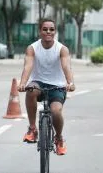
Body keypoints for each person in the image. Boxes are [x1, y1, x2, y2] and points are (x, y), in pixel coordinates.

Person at [17, 18, 76, 156]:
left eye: (51, 29)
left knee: (56, 111)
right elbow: (28, 66)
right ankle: (32, 129)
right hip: (38, 83)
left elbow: (66, 66)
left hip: (58, 86)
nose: (48, 32)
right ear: (40, 31)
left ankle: (59, 138)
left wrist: (70, 82)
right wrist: (22, 83)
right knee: (30, 90)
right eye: (45, 29)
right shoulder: (32, 48)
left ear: (55, 32)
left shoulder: (62, 49)